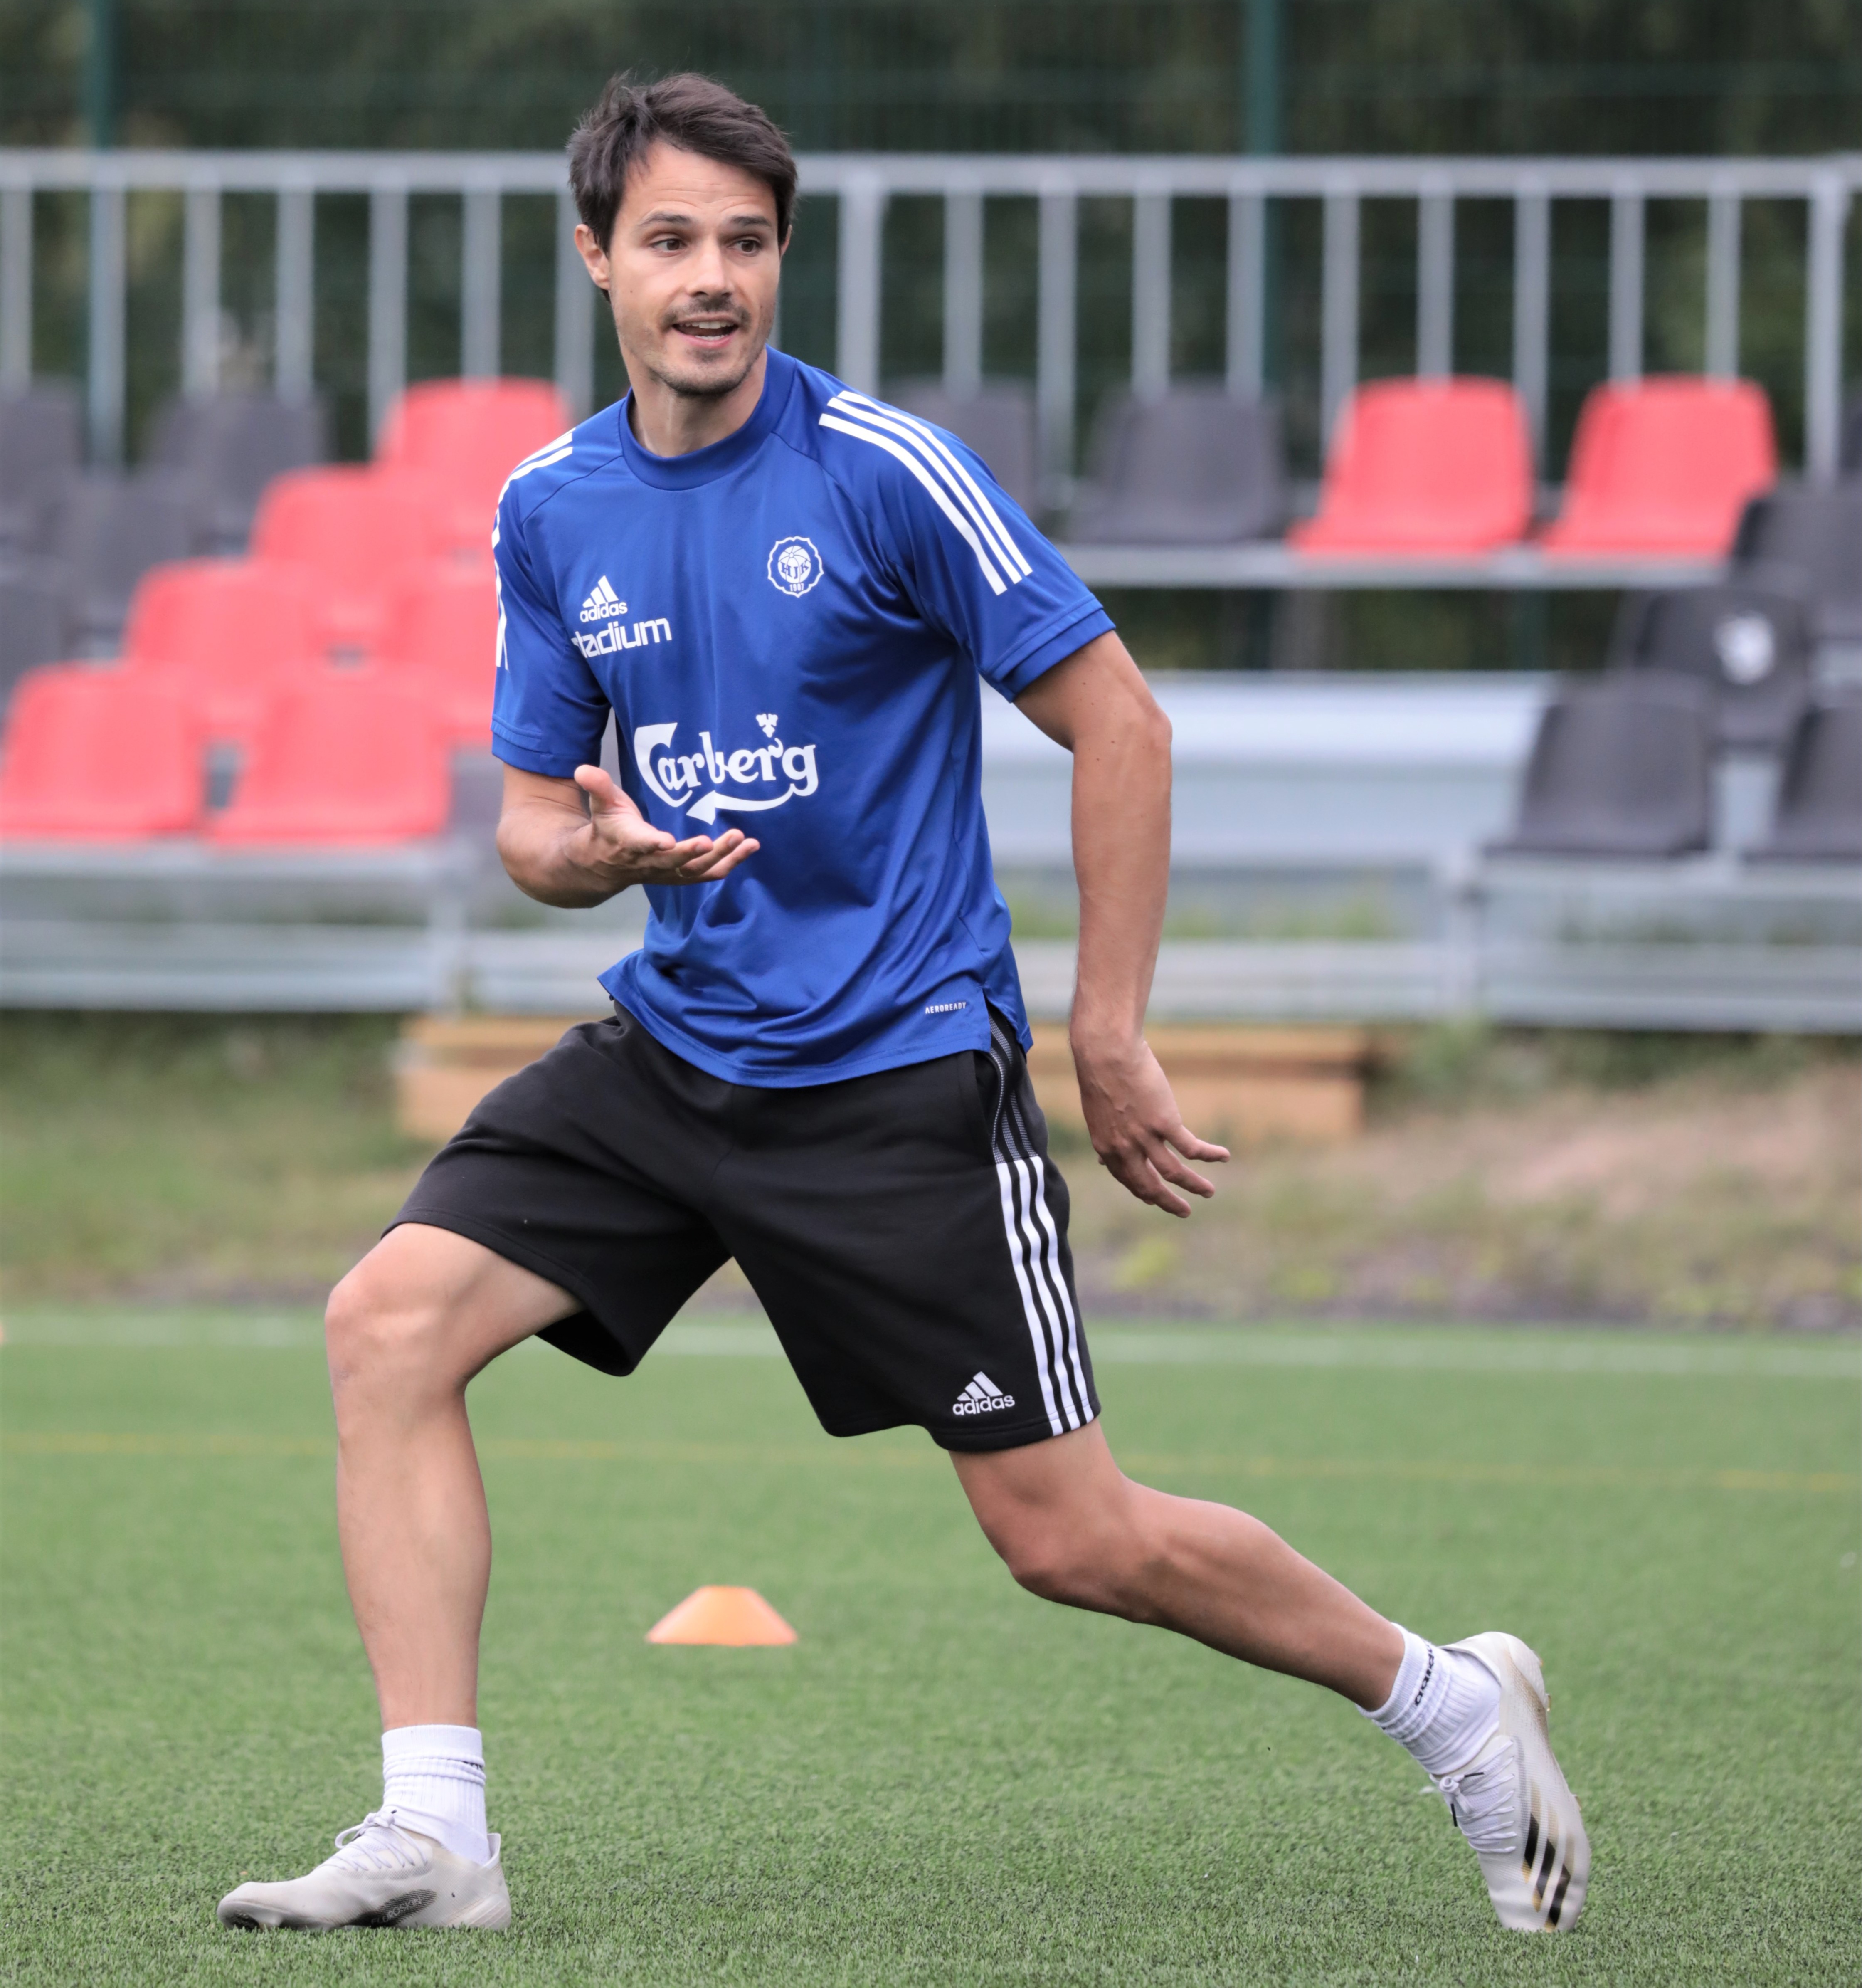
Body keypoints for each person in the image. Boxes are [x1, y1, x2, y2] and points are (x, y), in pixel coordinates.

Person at [217, 71, 1588, 1937]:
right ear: (594, 256)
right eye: (674, 240)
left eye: (747, 243)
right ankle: (436, 1828)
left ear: (780, 258)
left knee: (1067, 1539)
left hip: (893, 1071)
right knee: (385, 1323)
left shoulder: (879, 469)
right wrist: (605, 857)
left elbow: (1122, 722)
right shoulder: (552, 507)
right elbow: (536, 827)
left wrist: (1104, 1028)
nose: (713, 278)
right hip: (673, 1044)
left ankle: (1452, 1703)